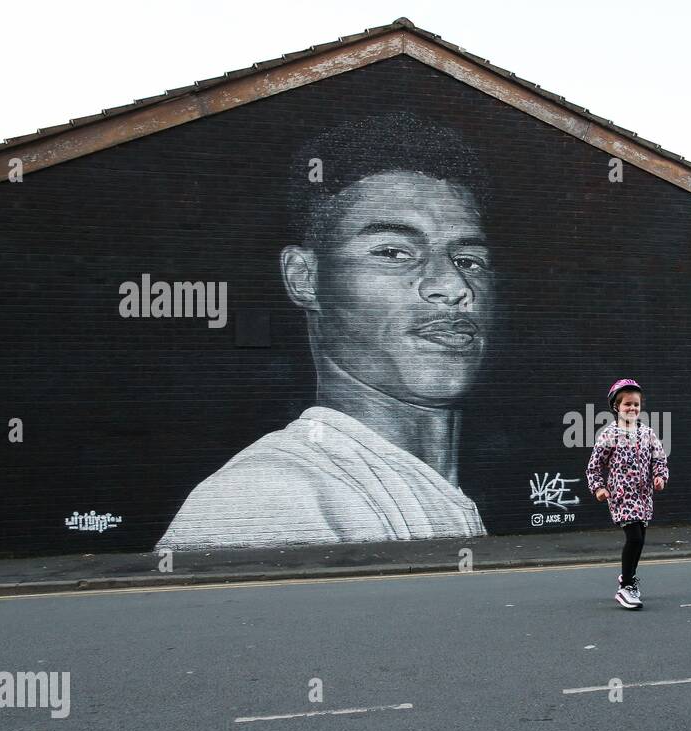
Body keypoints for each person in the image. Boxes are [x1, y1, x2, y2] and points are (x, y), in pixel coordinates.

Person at [158, 112, 494, 550]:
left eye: (469, 260)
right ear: (304, 278)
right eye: (393, 253)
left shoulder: (429, 487)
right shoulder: (265, 499)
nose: (452, 286)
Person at [585, 379, 669, 609]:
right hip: (621, 497)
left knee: (640, 540)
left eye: (636, 405)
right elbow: (594, 466)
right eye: (627, 405)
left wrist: (660, 477)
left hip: (644, 496)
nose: (632, 409)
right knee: (634, 538)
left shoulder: (648, 433)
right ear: (616, 407)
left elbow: (659, 460)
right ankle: (626, 588)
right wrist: (599, 488)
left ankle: (627, 576)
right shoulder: (608, 435)